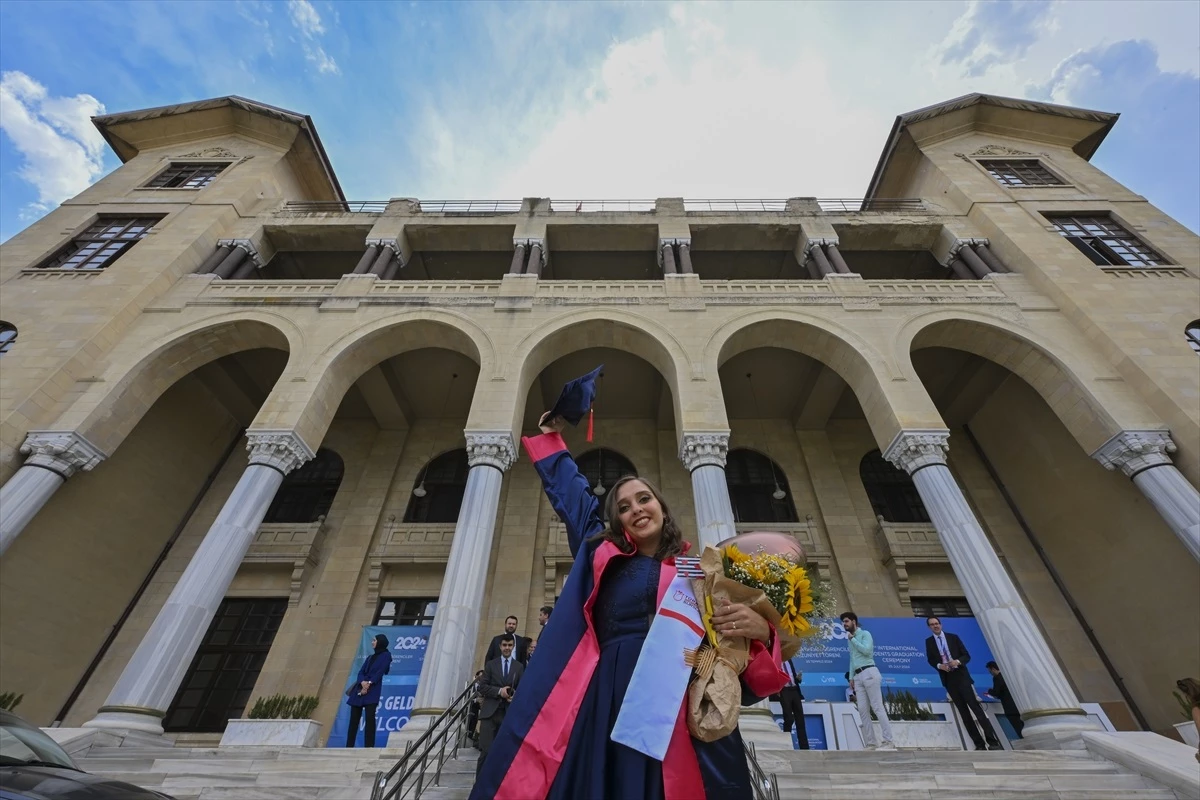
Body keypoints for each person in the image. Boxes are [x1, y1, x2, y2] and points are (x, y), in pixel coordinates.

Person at [470, 387, 787, 800]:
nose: (636, 509)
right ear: (616, 520)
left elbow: (728, 647)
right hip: (611, 694)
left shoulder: (696, 571)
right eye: (623, 506)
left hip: (680, 692)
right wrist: (551, 438)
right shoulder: (604, 554)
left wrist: (762, 630)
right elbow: (573, 499)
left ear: (661, 507)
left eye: (644, 499)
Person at [924, 617, 1001, 751]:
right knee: (964, 713)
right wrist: (939, 666)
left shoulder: (953, 638)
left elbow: (966, 655)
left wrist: (957, 662)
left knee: (976, 709)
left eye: (936, 623)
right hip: (948, 679)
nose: (935, 626)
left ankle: (993, 742)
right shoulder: (929, 642)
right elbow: (931, 660)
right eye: (932, 625)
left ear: (941, 625)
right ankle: (979, 744)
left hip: (962, 676)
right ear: (929, 627)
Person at [840, 611, 895, 751]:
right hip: (858, 676)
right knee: (863, 710)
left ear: (854, 621)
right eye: (843, 622)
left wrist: (853, 639)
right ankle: (871, 743)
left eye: (846, 621)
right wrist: (851, 677)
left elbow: (867, 651)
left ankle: (888, 741)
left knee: (877, 707)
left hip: (869, 671)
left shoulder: (865, 634)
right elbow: (852, 658)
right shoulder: (850, 639)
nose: (844, 624)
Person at [476, 634, 524, 778]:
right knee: (486, 752)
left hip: (508, 714)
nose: (507, 648)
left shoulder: (519, 667)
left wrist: (514, 696)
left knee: (505, 753)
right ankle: (479, 788)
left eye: (509, 645)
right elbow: (482, 687)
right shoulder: (491, 665)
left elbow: (523, 689)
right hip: (489, 714)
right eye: (504, 645)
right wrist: (499, 691)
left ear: (513, 647)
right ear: (500, 646)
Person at [344, 633, 392, 748]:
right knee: (354, 719)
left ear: (380, 642)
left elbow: (380, 671)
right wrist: (362, 682)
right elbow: (361, 672)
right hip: (360, 689)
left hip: (373, 689)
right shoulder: (370, 657)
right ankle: (349, 746)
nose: (372, 642)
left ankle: (369, 746)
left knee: (370, 718)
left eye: (374, 640)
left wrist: (369, 683)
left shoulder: (386, 655)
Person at [984, 661, 1022, 739]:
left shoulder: (997, 678)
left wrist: (989, 691)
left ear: (993, 669)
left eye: (990, 671)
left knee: (1019, 729)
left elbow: (996, 692)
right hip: (1019, 706)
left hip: (1010, 708)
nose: (990, 673)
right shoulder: (1008, 675)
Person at [778, 659, 808, 749]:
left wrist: (798, 678)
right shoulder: (775, 660)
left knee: (800, 719)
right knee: (789, 718)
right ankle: (786, 744)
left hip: (795, 690)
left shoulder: (789, 660)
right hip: (784, 691)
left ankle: (804, 747)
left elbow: (793, 676)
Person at [467, 669, 485, 745]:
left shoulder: (483, 687)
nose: (481, 678)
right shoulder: (471, 686)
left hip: (478, 709)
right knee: (469, 722)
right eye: (480, 676)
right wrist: (475, 700)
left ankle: (471, 737)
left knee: (474, 723)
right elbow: (466, 699)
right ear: (476, 676)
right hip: (470, 709)